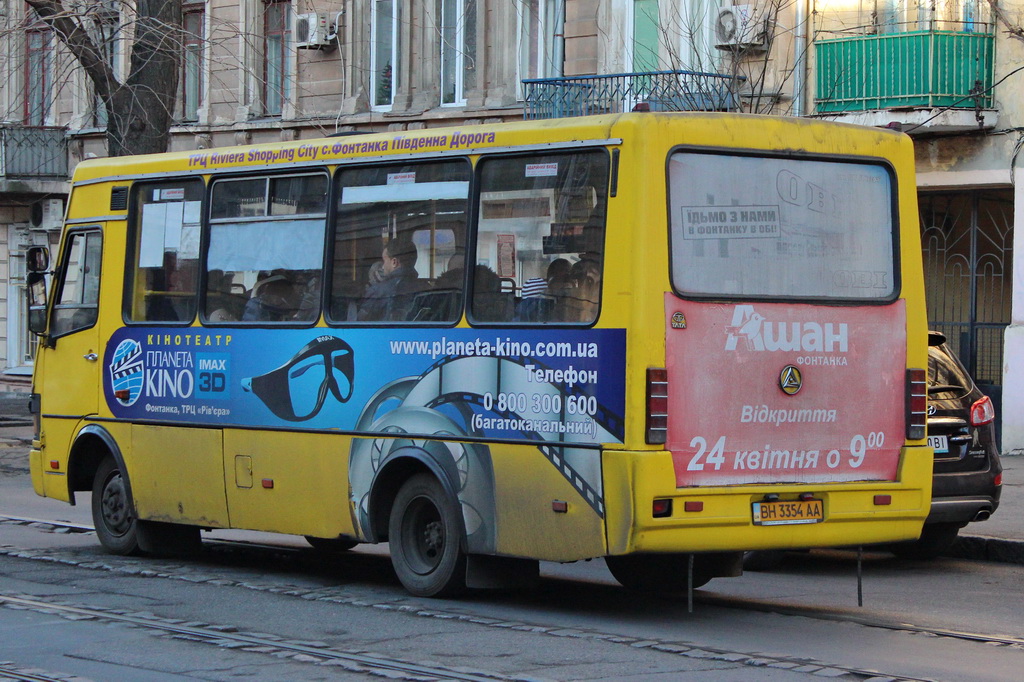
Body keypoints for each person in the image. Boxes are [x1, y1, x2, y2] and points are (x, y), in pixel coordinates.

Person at [358, 235, 420, 321]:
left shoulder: (377, 292)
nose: (383, 266)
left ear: (394, 262)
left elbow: (361, 323)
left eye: (384, 261)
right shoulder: (427, 288)